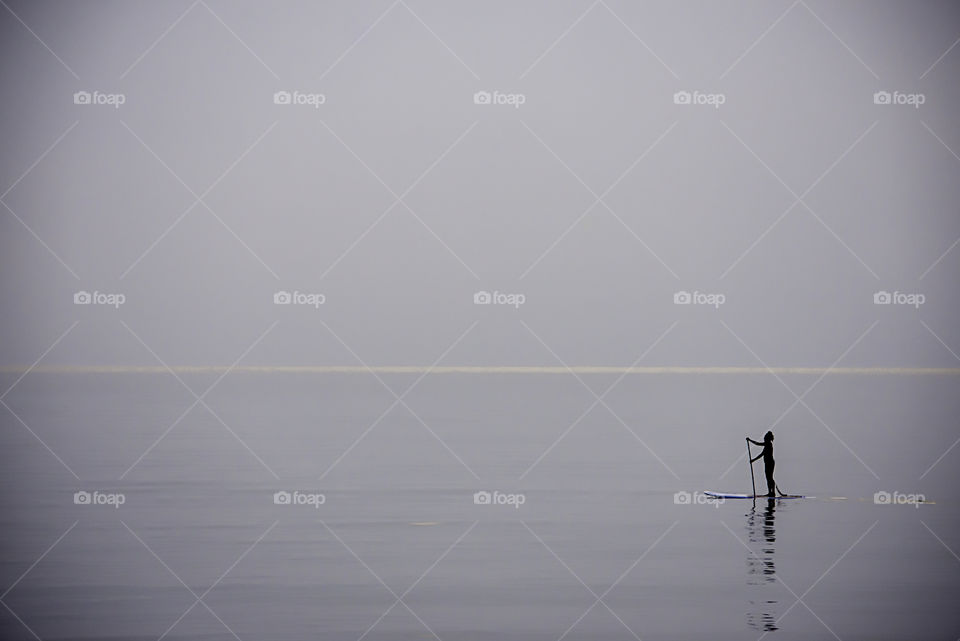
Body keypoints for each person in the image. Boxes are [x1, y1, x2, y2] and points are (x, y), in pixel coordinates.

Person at [747, 431, 777, 497]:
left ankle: (772, 492)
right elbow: (757, 444)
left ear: (767, 439)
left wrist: (753, 460)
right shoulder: (767, 444)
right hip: (768, 463)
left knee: (769, 478)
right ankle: (771, 492)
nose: (764, 439)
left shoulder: (768, 445)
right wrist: (750, 440)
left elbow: (761, 454)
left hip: (770, 463)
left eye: (765, 438)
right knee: (769, 477)